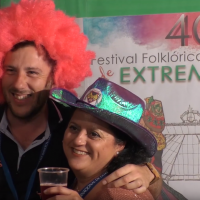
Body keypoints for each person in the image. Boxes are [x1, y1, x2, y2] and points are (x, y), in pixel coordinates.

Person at [0, 0, 161, 200]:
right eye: (10, 70)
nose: (19, 83)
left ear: (53, 78)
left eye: (32, 72)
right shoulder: (76, 125)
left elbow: (132, 180)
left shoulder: (73, 120)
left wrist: (150, 175)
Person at [43, 78, 157, 200]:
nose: (78, 140)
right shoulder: (74, 180)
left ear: (120, 145)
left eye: (94, 134)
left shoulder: (122, 193)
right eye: (74, 128)